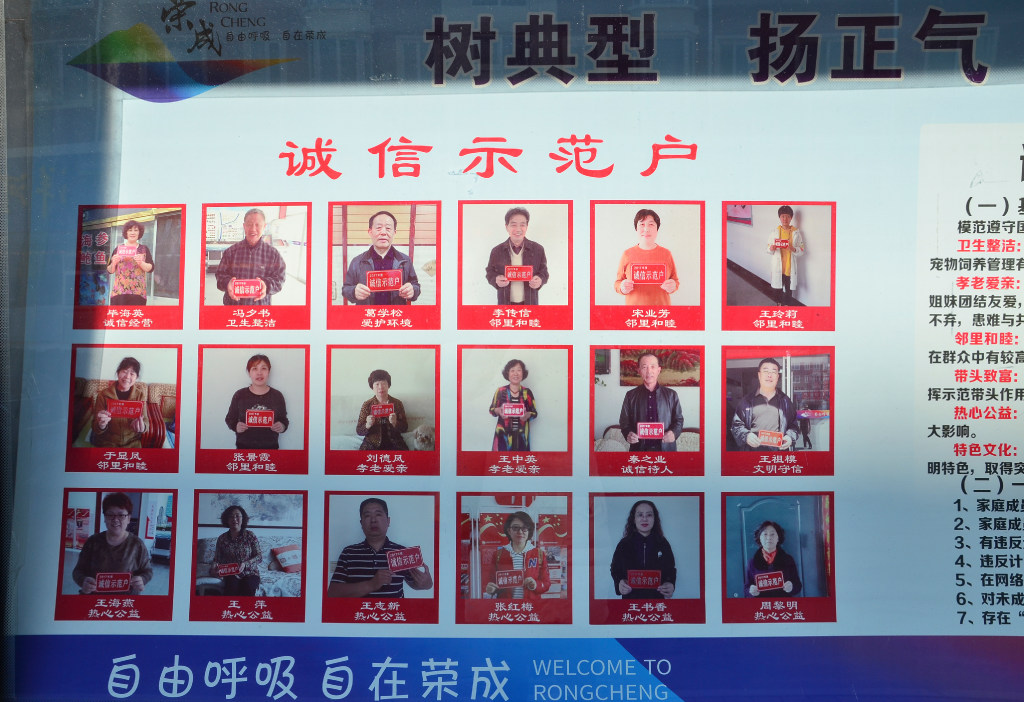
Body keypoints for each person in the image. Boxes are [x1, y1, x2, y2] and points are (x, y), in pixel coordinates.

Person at [327, 498, 433, 597]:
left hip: (392, 614)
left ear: (388, 521)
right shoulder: (348, 552)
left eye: (378, 514)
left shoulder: (402, 553)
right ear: (361, 523)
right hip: (359, 615)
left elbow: (416, 584)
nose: (373, 520)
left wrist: (426, 583)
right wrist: (371, 584)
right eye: (367, 515)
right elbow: (333, 592)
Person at [72, 492, 153, 595]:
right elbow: (77, 571)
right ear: (105, 518)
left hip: (125, 602)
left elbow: (148, 571)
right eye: (110, 514)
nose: (115, 519)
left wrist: (142, 579)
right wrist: (83, 581)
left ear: (128, 518)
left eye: (121, 515)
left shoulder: (137, 544)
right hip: (96, 601)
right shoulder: (93, 542)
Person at [341, 210, 421, 305]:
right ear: (370, 232)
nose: (383, 232)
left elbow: (416, 285)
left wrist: (413, 290)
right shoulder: (357, 261)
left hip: (394, 317)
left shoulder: (405, 260)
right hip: (368, 317)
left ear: (394, 233)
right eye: (378, 228)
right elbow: (346, 289)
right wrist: (354, 292)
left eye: (388, 228)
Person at [214, 208, 286, 305]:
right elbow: (220, 276)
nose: (253, 229)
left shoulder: (273, 254)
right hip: (233, 307)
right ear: (244, 226)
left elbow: (279, 279)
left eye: (257, 225)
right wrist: (227, 284)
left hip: (260, 309)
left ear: (264, 226)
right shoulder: (231, 252)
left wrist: (266, 285)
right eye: (249, 224)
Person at [610, 500, 676, 599]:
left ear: (654, 519)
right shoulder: (624, 544)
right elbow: (615, 569)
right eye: (640, 515)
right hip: (631, 602)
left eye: (649, 515)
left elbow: (671, 570)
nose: (644, 519)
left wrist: (670, 583)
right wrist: (619, 582)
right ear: (634, 519)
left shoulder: (663, 543)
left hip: (656, 601)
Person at [618, 353, 684, 451]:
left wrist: (674, 433)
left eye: (653, 367)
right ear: (639, 371)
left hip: (665, 449)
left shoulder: (671, 395)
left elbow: (678, 420)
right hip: (639, 449)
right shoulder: (630, 395)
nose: (649, 371)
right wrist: (628, 433)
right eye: (644, 367)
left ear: (658, 370)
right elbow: (624, 422)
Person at [613, 209, 680, 306]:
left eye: (651, 224)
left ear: (657, 229)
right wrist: (622, 287)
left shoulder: (666, 254)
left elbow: (675, 281)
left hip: (661, 312)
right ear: (636, 228)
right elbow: (618, 283)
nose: (646, 229)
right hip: (635, 312)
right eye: (642, 224)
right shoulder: (627, 254)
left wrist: (673, 286)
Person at [730, 357, 798, 451]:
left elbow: (793, 425)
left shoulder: (785, 401)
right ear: (759, 375)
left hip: (777, 456)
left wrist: (789, 437)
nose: (769, 375)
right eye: (766, 371)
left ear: (778, 376)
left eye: (774, 372)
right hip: (752, 455)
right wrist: (746, 436)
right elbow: (736, 426)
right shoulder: (746, 401)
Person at [485, 207, 549, 305]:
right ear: (507, 227)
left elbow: (544, 272)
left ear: (527, 226)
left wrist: (540, 280)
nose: (518, 229)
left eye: (522, 225)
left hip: (530, 303)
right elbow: (490, 272)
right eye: (513, 225)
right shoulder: (497, 251)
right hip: (505, 303)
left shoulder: (538, 249)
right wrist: (496, 280)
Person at [225, 354, 289, 450]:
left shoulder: (277, 396)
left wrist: (282, 426)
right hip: (244, 449)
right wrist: (235, 426)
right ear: (249, 373)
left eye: (263, 368)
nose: (259, 373)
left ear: (269, 372)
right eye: (254, 369)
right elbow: (229, 419)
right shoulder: (240, 395)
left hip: (271, 450)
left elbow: (284, 420)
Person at [485, 511, 550, 600]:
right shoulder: (498, 555)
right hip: (507, 606)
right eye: (515, 528)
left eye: (524, 528)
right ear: (509, 530)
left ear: (529, 530)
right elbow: (491, 582)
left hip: (530, 606)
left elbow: (546, 583)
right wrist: (491, 589)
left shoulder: (539, 554)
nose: (520, 532)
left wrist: (535, 585)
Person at [91, 357, 148, 448]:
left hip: (132, 443)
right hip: (107, 442)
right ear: (118, 373)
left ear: (136, 377)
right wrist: (101, 424)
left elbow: (146, 422)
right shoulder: (103, 395)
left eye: (132, 373)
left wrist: (142, 427)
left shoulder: (140, 396)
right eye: (124, 371)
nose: (127, 377)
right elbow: (95, 427)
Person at [210, 505, 262, 596]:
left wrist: (245, 564)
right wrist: (214, 567)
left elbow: (259, 556)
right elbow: (217, 559)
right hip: (231, 573)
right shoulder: (222, 538)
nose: (234, 519)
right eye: (231, 516)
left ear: (243, 518)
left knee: (248, 587)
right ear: (226, 519)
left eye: (237, 516)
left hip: (250, 572)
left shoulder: (250, 535)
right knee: (231, 588)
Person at [489, 359, 537, 451]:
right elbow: (492, 410)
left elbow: (534, 413)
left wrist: (527, 415)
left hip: (522, 436)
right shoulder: (500, 391)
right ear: (507, 373)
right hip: (503, 435)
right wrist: (498, 410)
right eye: (512, 370)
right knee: (502, 461)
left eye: (519, 370)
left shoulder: (527, 392)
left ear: (523, 373)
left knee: (520, 462)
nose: (516, 373)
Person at [745, 520, 801, 597]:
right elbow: (746, 588)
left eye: (772, 534)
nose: (769, 538)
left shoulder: (788, 559)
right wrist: (750, 591)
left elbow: (798, 586)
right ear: (759, 538)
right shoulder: (752, 562)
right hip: (762, 606)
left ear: (778, 538)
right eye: (765, 534)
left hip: (782, 605)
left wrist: (792, 587)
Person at [356, 369, 409, 450]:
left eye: (384, 383)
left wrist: (395, 423)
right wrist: (368, 425)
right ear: (372, 387)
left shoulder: (397, 403)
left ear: (388, 385)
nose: (380, 387)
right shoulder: (367, 405)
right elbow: (359, 431)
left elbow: (405, 428)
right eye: (377, 384)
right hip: (372, 444)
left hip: (395, 443)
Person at [106, 219, 154, 305]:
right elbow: (110, 270)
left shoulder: (144, 249)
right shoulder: (118, 249)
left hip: (138, 293)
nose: (133, 233)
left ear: (139, 233)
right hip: (119, 293)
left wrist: (141, 263)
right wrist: (113, 263)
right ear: (126, 233)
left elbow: (150, 268)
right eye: (130, 230)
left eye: (136, 230)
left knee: (135, 317)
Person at [766, 205, 806, 306]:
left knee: (788, 290)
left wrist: (793, 248)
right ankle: (779, 304)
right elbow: (768, 248)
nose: (785, 219)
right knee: (777, 289)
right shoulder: (774, 232)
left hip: (789, 267)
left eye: (788, 216)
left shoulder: (796, 232)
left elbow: (801, 250)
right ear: (779, 217)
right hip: (778, 267)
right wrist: (771, 248)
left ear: (791, 218)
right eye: (783, 216)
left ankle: (787, 306)